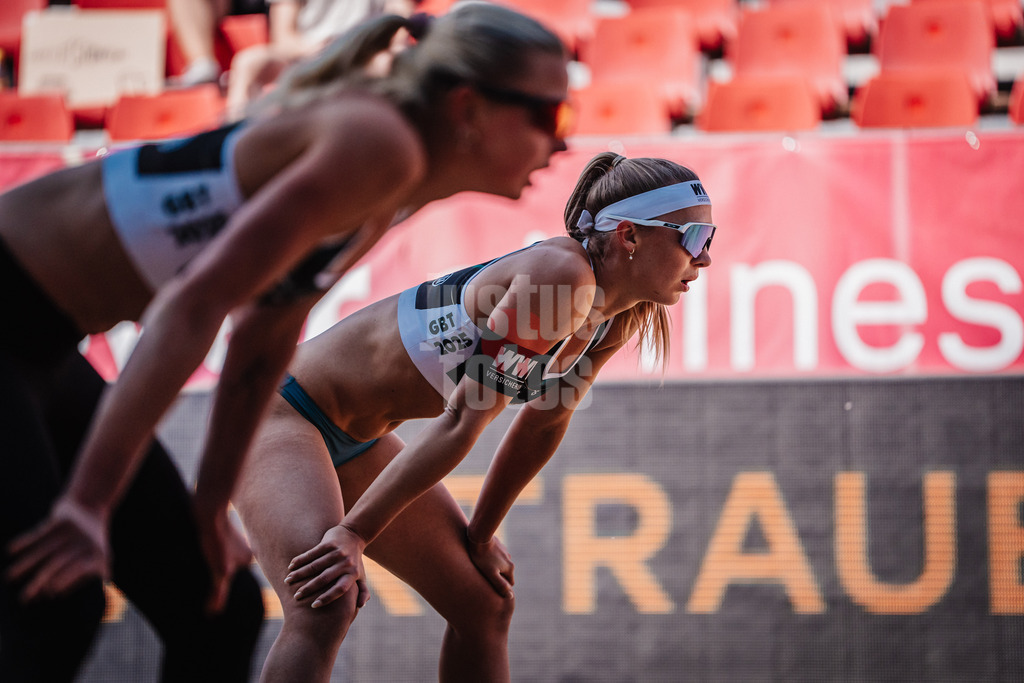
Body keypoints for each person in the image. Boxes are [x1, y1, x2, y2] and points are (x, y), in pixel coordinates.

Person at [1, 4, 571, 681]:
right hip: (12, 317)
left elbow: (261, 345)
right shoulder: (378, 144)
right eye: (549, 116)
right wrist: (87, 502)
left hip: (40, 342)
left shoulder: (392, 180)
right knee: (55, 603)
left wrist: (211, 506)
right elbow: (193, 304)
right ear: (469, 107)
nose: (562, 144)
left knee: (219, 606)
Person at [232, 152, 716, 682]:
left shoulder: (613, 319)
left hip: (358, 437)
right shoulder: (561, 277)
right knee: (325, 605)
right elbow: (464, 420)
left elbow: (542, 424)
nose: (706, 259)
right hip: (283, 412)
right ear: (629, 236)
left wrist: (481, 537)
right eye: (694, 240)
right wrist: (352, 534)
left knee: (483, 605)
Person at [224, 0, 418, 120]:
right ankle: (231, 138)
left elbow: (400, 16)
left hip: (365, 54)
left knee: (387, 60)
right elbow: (283, 39)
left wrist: (388, 45)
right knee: (248, 61)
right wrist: (315, 50)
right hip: (308, 56)